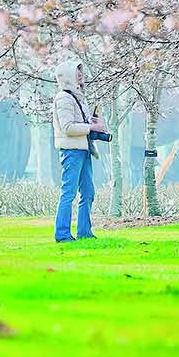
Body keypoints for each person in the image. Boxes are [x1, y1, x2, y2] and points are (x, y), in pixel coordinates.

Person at [52, 60, 106, 243]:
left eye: (81, 71)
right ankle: (63, 234)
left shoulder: (78, 97)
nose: (80, 74)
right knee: (69, 192)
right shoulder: (64, 98)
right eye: (76, 71)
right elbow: (67, 127)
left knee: (88, 192)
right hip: (71, 152)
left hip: (83, 150)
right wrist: (91, 127)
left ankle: (84, 232)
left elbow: (79, 123)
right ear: (67, 76)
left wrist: (91, 122)